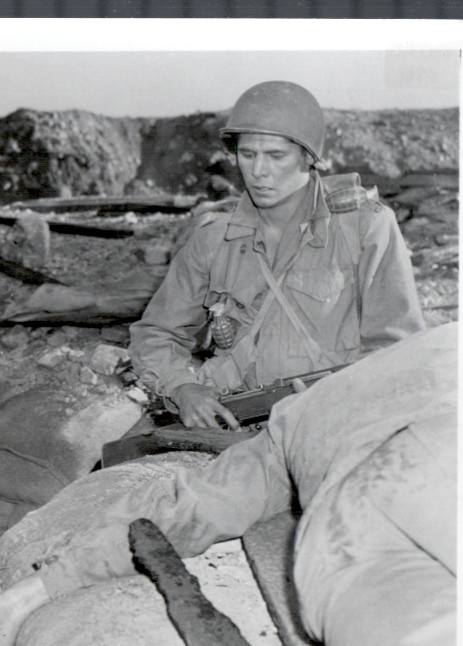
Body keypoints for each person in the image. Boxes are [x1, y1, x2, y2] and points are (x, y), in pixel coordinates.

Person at [0, 323, 458, 646]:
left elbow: (191, 504)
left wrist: (31, 594)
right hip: (373, 514)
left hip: (354, 519)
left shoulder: (337, 395)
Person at [129, 81, 425, 430]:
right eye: (248, 155)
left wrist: (340, 406)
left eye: (275, 156)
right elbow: (156, 333)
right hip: (235, 420)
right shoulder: (213, 239)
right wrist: (183, 388)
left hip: (336, 417)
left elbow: (397, 348)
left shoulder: (364, 227)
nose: (258, 171)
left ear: (308, 157)